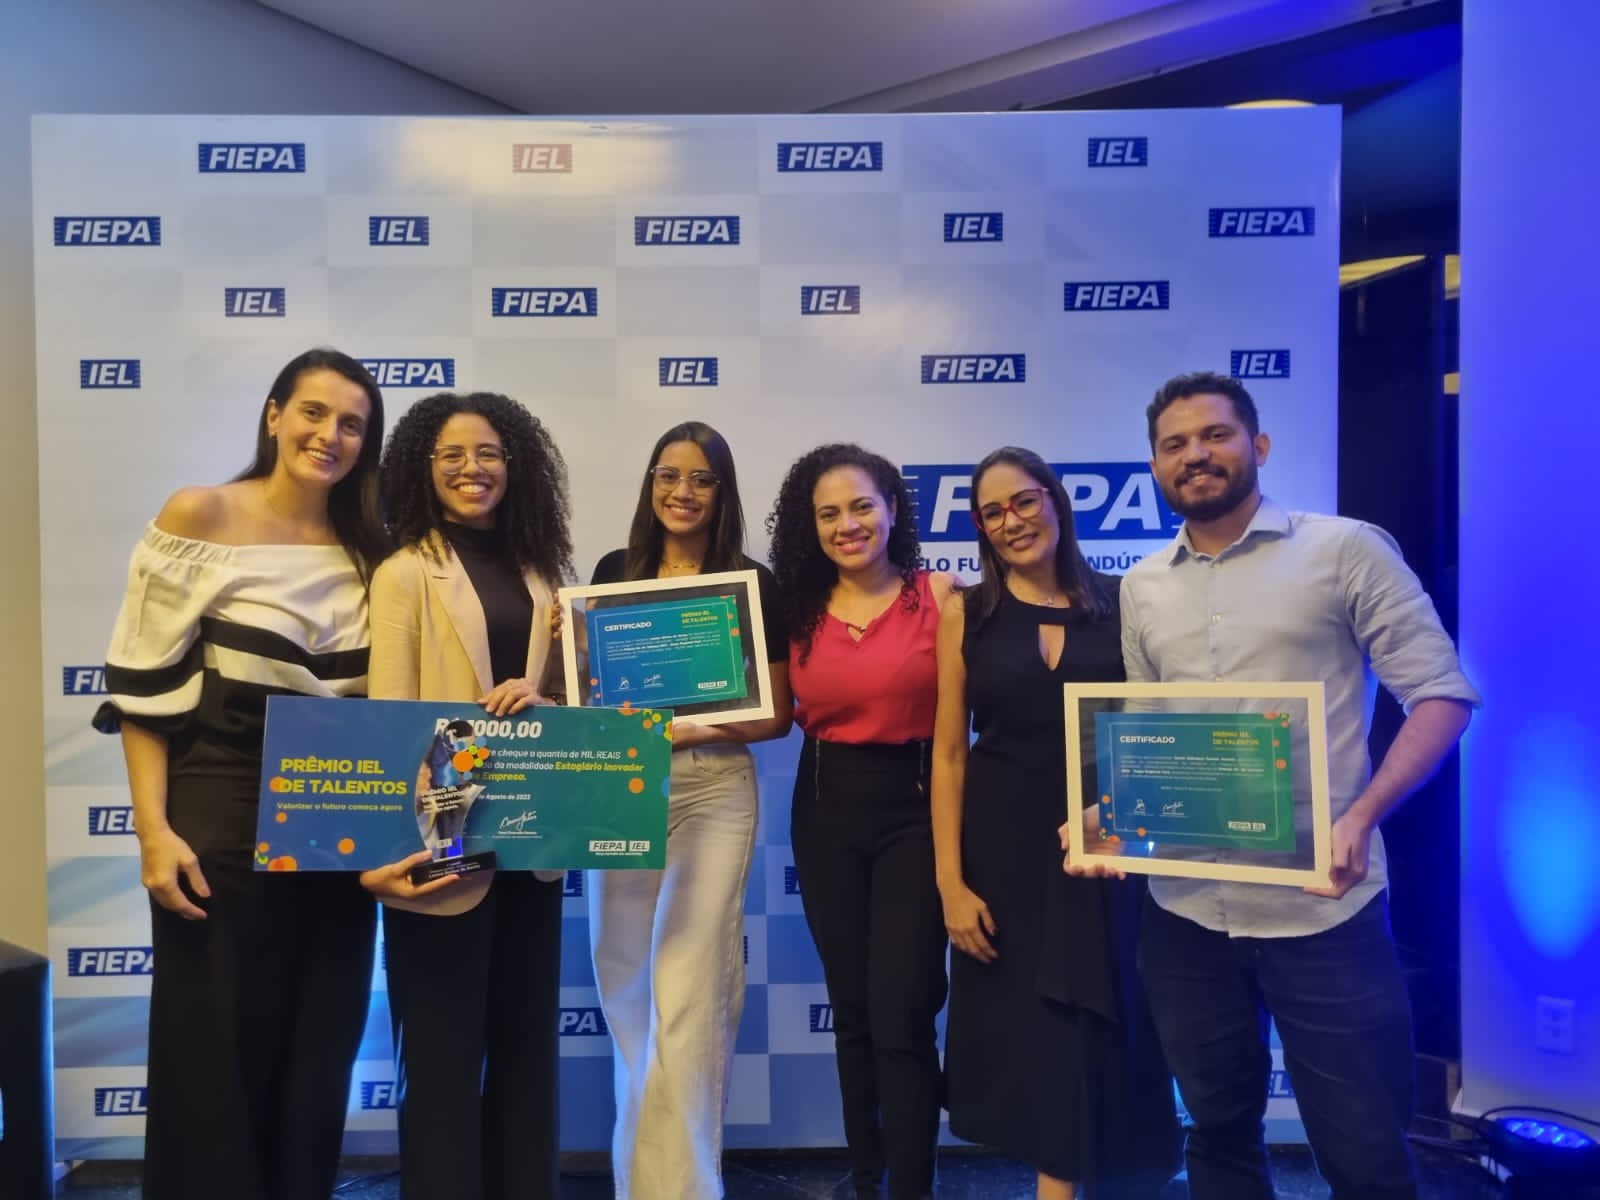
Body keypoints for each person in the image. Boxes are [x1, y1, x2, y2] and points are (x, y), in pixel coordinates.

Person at [1110, 370, 1479, 1200]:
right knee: (1216, 1135)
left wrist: (1365, 814)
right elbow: (1146, 732)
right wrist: (1110, 816)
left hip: (1323, 904)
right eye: (1174, 445)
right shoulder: (1142, 585)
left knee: (1366, 1153)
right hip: (1186, 908)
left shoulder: (1343, 549)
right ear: (1155, 467)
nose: (1195, 454)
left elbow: (1442, 695)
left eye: (1215, 435)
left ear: (1258, 446)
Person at [94, 348, 390, 1200]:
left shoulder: (374, 544)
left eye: (351, 424)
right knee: (212, 1049)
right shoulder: (200, 513)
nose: (329, 435)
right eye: (312, 412)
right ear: (272, 415)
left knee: (319, 1044)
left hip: (340, 809)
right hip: (219, 805)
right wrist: (153, 832)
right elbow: (143, 695)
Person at [932, 447, 1178, 1200]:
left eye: (1025, 501)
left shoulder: (1124, 599)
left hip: (1105, 847)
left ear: (1056, 502)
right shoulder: (965, 613)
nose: (1013, 521)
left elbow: (1159, 728)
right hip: (1002, 852)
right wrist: (950, 883)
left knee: (1103, 1023)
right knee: (1033, 1031)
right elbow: (947, 757)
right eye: (993, 512)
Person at [358, 391, 573, 1200]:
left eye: (487, 454)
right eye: (451, 455)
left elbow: (576, 715)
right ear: (422, 467)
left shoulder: (548, 576)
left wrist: (544, 703)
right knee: (442, 1062)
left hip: (534, 847)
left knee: (526, 1056)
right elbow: (388, 721)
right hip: (442, 846)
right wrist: (401, 849)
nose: (471, 470)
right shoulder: (405, 572)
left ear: (514, 465)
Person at [587, 420, 794, 1200]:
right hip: (623, 785)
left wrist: (682, 726)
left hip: (713, 790)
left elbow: (777, 713)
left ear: (723, 491)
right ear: (650, 484)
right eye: (668, 475)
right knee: (626, 984)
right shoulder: (614, 571)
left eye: (702, 478)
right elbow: (591, 699)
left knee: (692, 991)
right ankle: (639, 1183)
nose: (683, 491)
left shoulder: (751, 582)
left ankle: (688, 1190)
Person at [767, 443, 956, 1200]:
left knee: (903, 1006)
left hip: (915, 806)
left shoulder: (943, 597)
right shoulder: (793, 609)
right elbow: (759, 708)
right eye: (828, 513)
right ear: (810, 527)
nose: (847, 525)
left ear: (892, 509)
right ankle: (867, 1176)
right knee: (851, 1007)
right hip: (822, 803)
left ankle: (914, 1184)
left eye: (861, 506)